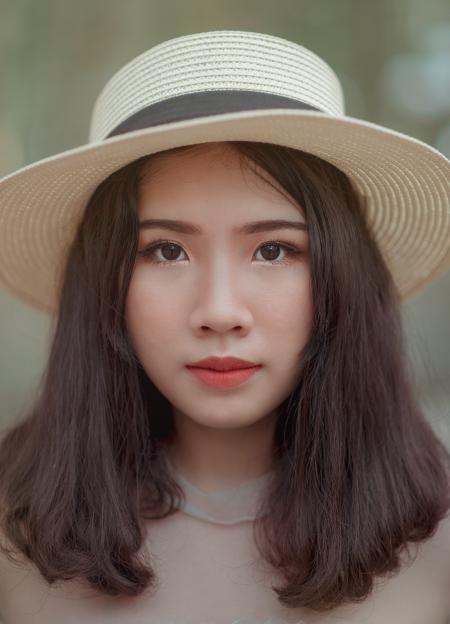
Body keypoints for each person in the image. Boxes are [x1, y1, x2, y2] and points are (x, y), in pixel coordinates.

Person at [0, 30, 449, 624]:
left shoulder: (438, 539)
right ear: (104, 282)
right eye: (164, 251)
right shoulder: (13, 534)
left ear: (342, 277)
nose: (218, 311)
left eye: (273, 251)